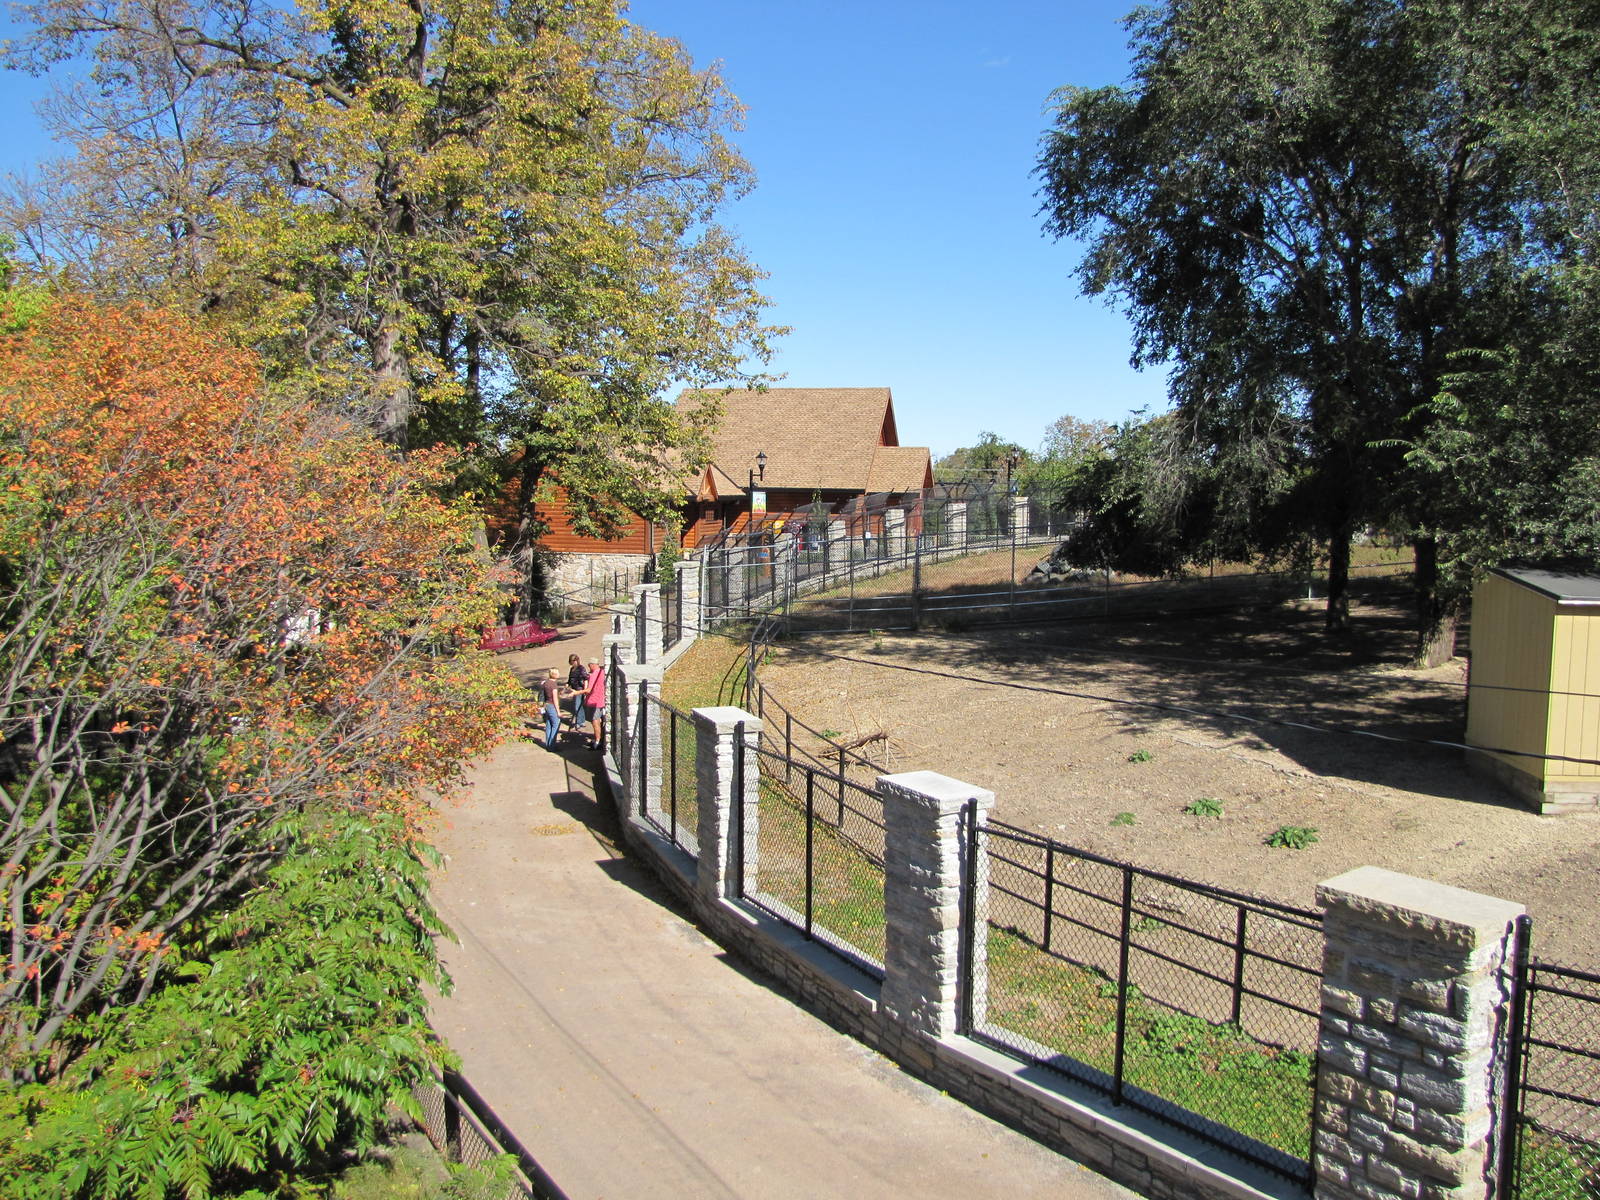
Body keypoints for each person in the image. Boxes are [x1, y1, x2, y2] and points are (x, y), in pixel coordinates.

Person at [582, 656, 606, 750]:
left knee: (595, 721)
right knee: (599, 721)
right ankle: (599, 740)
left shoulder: (593, 675)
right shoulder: (602, 672)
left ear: (592, 665)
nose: (589, 667)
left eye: (589, 665)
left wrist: (577, 692)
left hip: (595, 701)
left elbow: (588, 690)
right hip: (601, 700)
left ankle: (597, 741)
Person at [539, 667, 562, 751]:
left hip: (547, 705)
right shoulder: (554, 685)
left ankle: (548, 744)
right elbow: (555, 699)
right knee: (556, 725)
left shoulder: (546, 683)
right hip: (552, 706)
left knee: (548, 725)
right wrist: (558, 711)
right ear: (554, 674)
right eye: (558, 673)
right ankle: (552, 746)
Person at [565, 653, 589, 734]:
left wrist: (585, 690)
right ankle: (582, 721)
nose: (571, 663)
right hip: (574, 690)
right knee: (579, 706)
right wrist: (567, 685)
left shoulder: (581, 668)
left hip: (579, 689)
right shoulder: (572, 669)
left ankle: (578, 722)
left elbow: (585, 679)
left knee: (577, 706)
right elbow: (570, 679)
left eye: (572, 661)